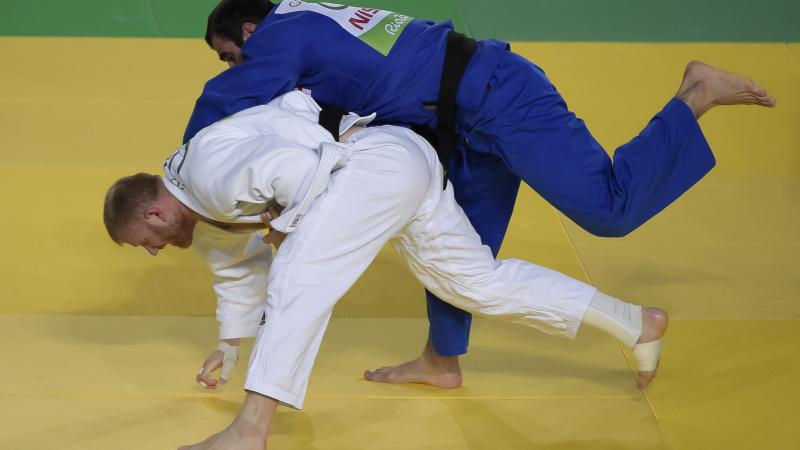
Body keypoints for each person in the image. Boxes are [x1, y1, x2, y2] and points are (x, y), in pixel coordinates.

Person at [187, 0, 776, 389]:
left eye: (231, 53)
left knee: (609, 210)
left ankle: (694, 95)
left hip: (498, 96)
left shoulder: (281, 33)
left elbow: (227, 101)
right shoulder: (308, 23)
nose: (237, 64)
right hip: (459, 117)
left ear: (246, 30)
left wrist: (188, 165)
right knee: (457, 254)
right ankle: (442, 360)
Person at [104, 91, 668, 450]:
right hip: (401, 166)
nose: (153, 251)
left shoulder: (208, 174)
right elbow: (234, 271)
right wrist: (229, 346)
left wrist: (287, 224)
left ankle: (249, 434)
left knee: (298, 281)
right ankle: (633, 321)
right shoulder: (198, 209)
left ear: (155, 212)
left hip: (376, 159)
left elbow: (301, 165)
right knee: (472, 283)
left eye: (144, 242)